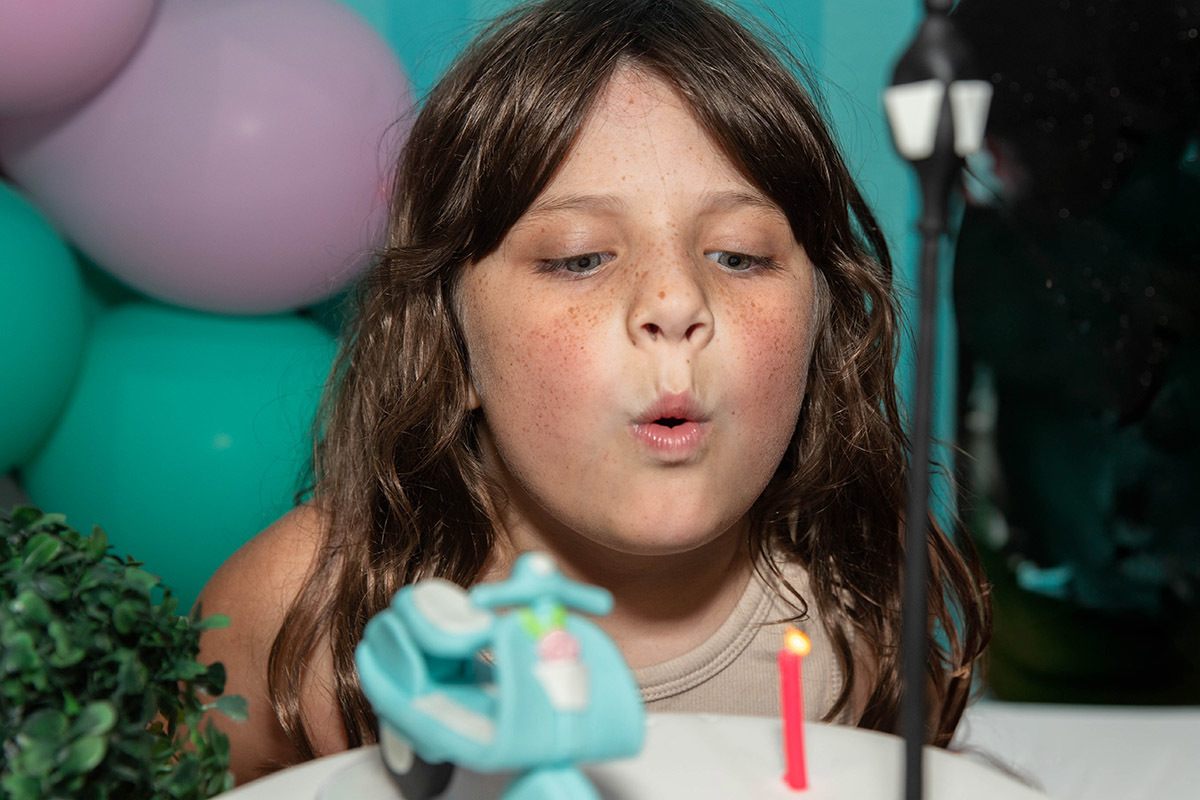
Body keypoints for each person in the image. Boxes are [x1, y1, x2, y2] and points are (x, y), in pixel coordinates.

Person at [196, 0, 991, 784]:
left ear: (821, 323)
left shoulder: (870, 612)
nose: (676, 304)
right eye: (579, 259)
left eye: (739, 256)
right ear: (451, 347)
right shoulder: (303, 615)